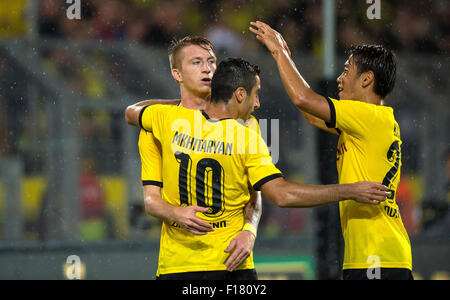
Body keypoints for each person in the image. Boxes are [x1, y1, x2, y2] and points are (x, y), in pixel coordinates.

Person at [134, 57, 389, 280]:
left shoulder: (165, 119)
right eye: (256, 94)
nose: (257, 104)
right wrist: (350, 190)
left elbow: (132, 113)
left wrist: (249, 229)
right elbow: (282, 194)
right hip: (230, 263)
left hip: (176, 266)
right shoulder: (247, 134)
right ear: (240, 94)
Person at [249, 21, 413, 280]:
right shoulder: (371, 121)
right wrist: (288, 61)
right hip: (378, 256)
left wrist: (278, 52)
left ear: (367, 79)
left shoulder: (366, 116)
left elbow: (304, 98)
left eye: (347, 71)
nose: (339, 78)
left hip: (377, 257)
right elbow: (311, 114)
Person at [125, 36, 262, 276]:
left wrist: (250, 232)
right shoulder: (157, 124)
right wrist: (175, 212)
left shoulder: (245, 122)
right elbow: (151, 201)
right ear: (177, 74)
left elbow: (255, 194)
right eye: (196, 62)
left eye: (211, 61)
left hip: (233, 263)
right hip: (179, 264)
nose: (207, 68)